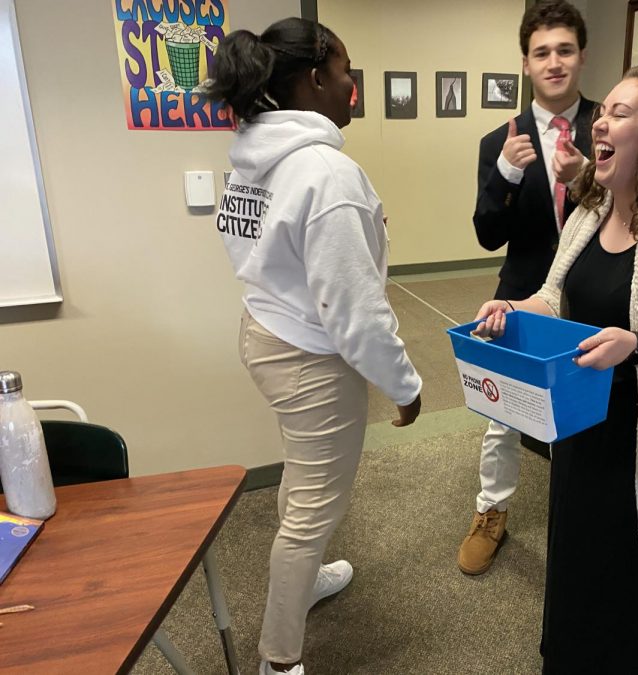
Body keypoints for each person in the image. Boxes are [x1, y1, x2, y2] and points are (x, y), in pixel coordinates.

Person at [473, 64, 638, 672]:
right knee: (578, 585)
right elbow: (552, 295)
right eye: (604, 111)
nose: (601, 119)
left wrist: (637, 345)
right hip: (582, 437)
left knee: (633, 606)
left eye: (620, 113)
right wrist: (512, 309)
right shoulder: (590, 213)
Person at [206, 17, 422, 675]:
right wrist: (406, 384)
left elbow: (257, 242)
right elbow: (354, 311)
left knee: (304, 477)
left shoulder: (253, 156)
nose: (351, 85)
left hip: (265, 331)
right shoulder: (327, 172)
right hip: (309, 356)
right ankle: (279, 660)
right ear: (313, 77)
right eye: (345, 72)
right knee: (310, 506)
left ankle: (311, 576)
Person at [459, 0, 598, 576]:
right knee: (502, 412)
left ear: (581, 57)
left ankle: (587, 517)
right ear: (525, 63)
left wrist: (586, 176)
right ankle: (491, 511)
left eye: (565, 50)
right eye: (542, 52)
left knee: (591, 407)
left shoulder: (609, 126)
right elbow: (488, 234)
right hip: (521, 289)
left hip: (595, 290)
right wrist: (508, 177)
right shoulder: (501, 139)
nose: (555, 62)